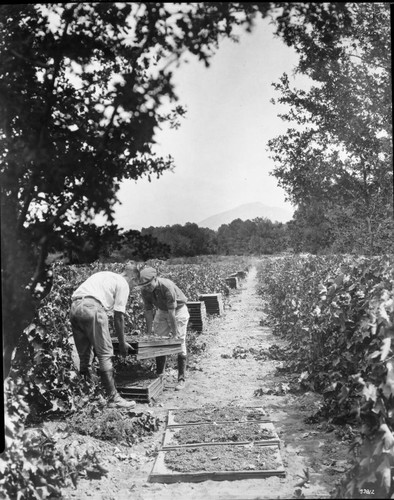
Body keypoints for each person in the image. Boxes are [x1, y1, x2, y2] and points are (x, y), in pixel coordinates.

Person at [70, 263, 140, 409]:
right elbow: (119, 316)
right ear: (132, 277)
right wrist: (122, 343)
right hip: (92, 307)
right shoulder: (123, 283)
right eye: (135, 283)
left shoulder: (104, 275)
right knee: (105, 355)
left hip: (75, 308)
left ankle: (89, 396)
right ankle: (113, 398)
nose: (133, 287)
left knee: (85, 357)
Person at [137, 267, 190, 391]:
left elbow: (172, 312)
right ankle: (160, 374)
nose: (147, 288)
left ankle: (181, 378)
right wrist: (149, 332)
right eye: (144, 286)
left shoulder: (167, 287)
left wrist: (175, 333)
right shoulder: (145, 290)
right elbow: (148, 311)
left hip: (178, 310)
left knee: (180, 342)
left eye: (149, 285)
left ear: (155, 279)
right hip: (162, 310)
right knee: (158, 340)